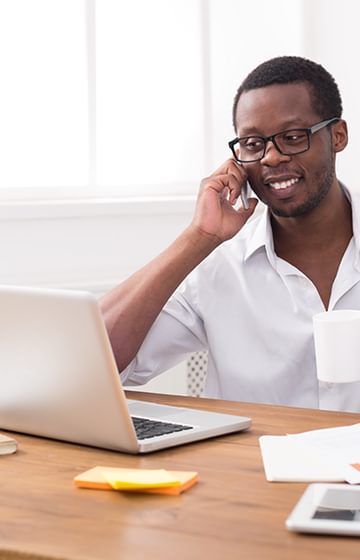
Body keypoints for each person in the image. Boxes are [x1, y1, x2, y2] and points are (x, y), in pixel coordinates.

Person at [100, 55, 360, 412]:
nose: (271, 157)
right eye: (252, 144)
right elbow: (94, 363)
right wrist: (200, 236)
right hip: (251, 467)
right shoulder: (217, 266)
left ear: (338, 136)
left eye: (293, 137)